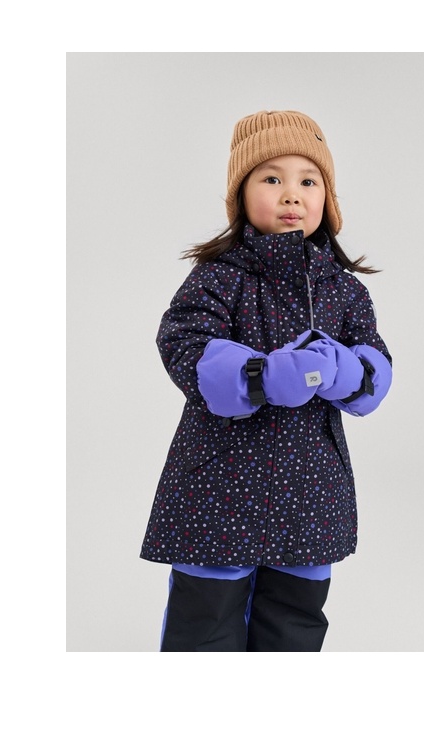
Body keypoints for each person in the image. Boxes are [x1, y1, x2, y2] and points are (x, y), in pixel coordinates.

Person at [139, 110, 393, 652]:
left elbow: (376, 370)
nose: (291, 194)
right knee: (204, 625)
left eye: (308, 181)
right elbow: (183, 343)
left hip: (310, 491)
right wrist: (261, 376)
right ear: (241, 195)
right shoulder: (219, 276)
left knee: (293, 625)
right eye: (272, 178)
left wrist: (347, 370)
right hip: (219, 487)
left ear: (328, 199)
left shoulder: (344, 290)